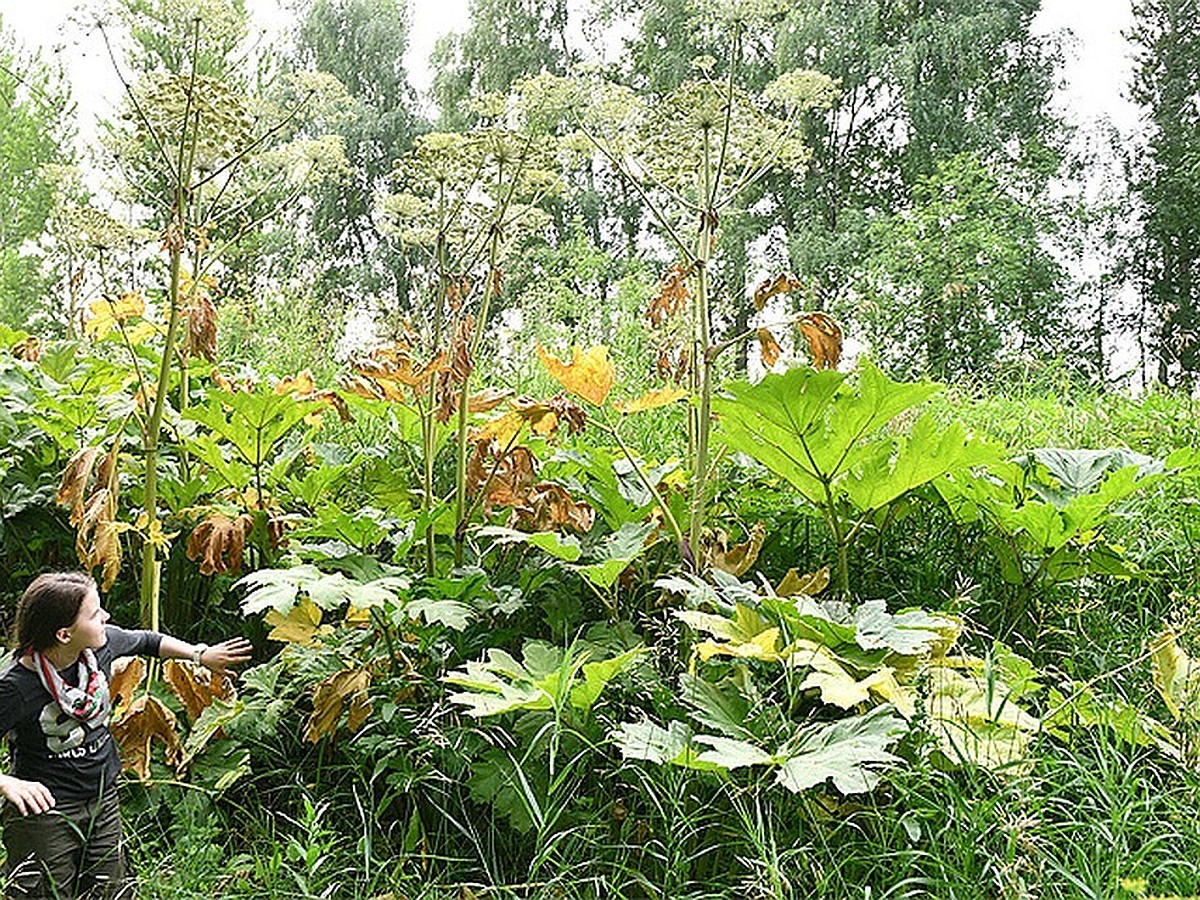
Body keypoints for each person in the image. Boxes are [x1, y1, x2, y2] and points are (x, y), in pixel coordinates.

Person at [0, 571, 252, 899]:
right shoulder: (16, 687)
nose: (105, 617)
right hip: (45, 813)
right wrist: (8, 782)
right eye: (94, 614)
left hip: (103, 798)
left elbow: (148, 641)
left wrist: (200, 655)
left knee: (112, 892)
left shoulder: (100, 648)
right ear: (64, 634)